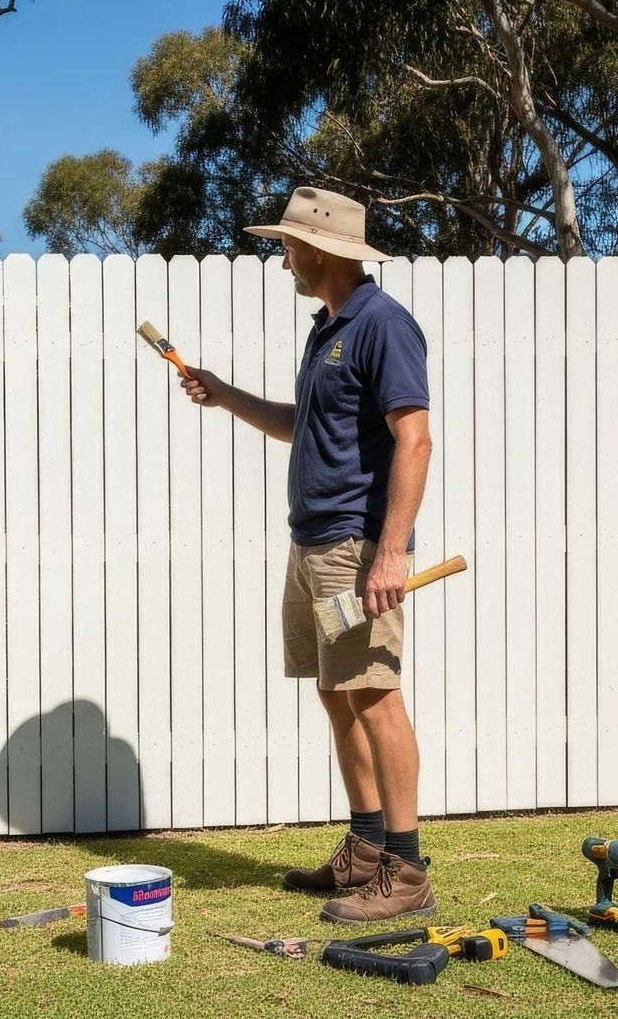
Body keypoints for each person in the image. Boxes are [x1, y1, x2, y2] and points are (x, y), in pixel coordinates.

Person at [179, 186, 436, 923]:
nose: (283, 255)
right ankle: (363, 845)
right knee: (335, 691)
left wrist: (390, 555)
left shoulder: (383, 325)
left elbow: (414, 438)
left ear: (320, 248)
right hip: (313, 544)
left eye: (288, 243)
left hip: (357, 545)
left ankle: (407, 865)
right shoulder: (327, 329)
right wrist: (225, 395)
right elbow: (307, 425)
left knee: (376, 694)